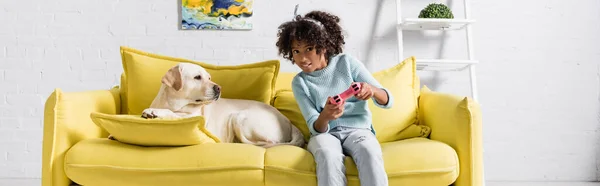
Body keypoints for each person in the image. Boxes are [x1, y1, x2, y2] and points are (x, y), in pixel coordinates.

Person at [275, 7, 394, 186]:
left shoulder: (347, 63)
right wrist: (326, 116)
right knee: (327, 154)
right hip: (325, 134)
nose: (302, 58)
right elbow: (315, 127)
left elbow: (387, 99)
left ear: (323, 46)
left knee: (368, 151)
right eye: (296, 51)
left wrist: (371, 90)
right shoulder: (300, 83)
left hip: (358, 130)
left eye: (308, 49)